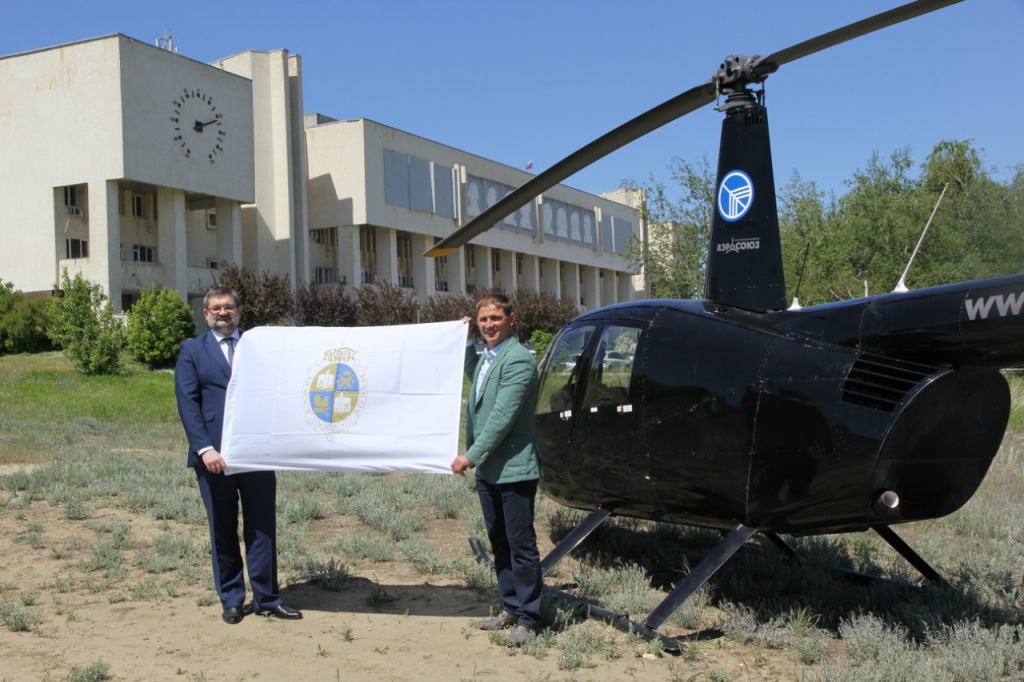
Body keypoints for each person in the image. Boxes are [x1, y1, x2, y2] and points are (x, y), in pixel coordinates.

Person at [175, 285, 302, 625]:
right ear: (206, 314)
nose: (222, 313)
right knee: (223, 528)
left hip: (257, 453)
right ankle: (231, 598)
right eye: (215, 308)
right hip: (213, 457)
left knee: (262, 528)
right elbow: (188, 405)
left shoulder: (257, 348)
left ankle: (267, 597)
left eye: (228, 307)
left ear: (239, 311)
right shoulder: (191, 350)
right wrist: (205, 449)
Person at [451, 293, 542, 647]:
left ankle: (530, 618)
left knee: (521, 545)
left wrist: (470, 456)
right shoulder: (490, 356)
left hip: (514, 469)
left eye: (495, 319)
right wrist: (461, 340)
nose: (489, 325)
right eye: (483, 320)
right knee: (500, 542)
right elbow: (476, 376)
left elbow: (502, 417)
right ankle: (510, 606)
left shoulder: (517, 360)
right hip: (490, 470)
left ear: (511, 319)